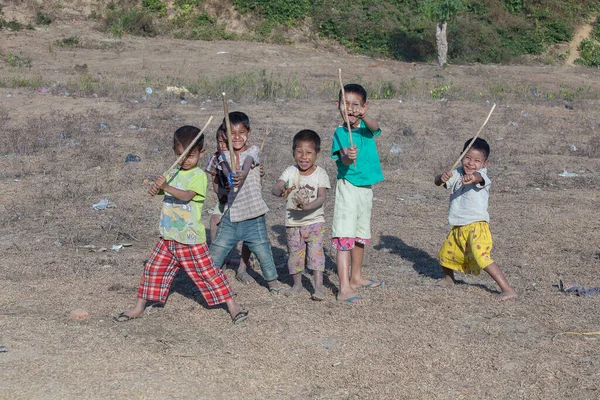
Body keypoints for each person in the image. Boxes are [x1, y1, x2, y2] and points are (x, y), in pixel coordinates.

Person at [114, 125, 248, 324]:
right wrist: (156, 189)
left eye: (190, 156)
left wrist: (166, 186)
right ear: (175, 152)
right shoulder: (173, 173)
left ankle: (233, 307)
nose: (185, 161)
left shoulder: (198, 176)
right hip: (168, 237)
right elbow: (163, 192)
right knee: (152, 269)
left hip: (190, 238)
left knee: (209, 273)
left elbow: (186, 196)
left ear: (201, 153)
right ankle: (138, 307)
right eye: (181, 155)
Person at [435, 137, 517, 301]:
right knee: (445, 254)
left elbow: (479, 178)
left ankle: (507, 289)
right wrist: (440, 178)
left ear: (485, 163)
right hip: (459, 225)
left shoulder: (482, 176)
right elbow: (439, 183)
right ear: (461, 156)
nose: (471, 163)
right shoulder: (457, 172)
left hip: (476, 226)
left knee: (482, 257)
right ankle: (449, 279)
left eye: (477, 161)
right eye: (468, 158)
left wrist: (473, 178)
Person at [209, 112, 283, 294]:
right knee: (217, 250)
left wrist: (242, 172)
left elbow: (249, 162)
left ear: (248, 132)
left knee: (263, 251)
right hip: (232, 215)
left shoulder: (253, 151)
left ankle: (272, 282)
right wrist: (232, 175)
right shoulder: (223, 156)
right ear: (225, 135)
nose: (237, 137)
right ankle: (207, 281)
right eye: (232, 133)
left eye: (242, 132)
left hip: (254, 215)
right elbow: (226, 171)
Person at [331, 84, 385, 304]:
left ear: (364, 107)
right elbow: (342, 157)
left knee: (360, 235)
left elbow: (375, 126)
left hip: (366, 188)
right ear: (338, 106)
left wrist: (366, 116)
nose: (351, 109)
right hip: (349, 187)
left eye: (356, 105)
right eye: (346, 104)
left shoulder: (365, 127)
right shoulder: (340, 132)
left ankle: (356, 277)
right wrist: (348, 156)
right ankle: (344, 288)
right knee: (345, 236)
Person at [272, 130, 331, 300]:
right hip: (293, 223)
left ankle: (318, 287)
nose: (304, 157)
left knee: (316, 253)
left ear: (317, 154)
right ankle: (297, 284)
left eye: (309, 153)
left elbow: (321, 198)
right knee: (295, 254)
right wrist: (279, 190)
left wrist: (308, 206)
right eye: (299, 151)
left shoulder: (320, 174)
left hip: (315, 221)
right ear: (293, 152)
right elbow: (276, 187)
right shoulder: (290, 171)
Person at [205, 127, 256, 284]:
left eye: (225, 143)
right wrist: (225, 192)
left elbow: (256, 175)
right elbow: (214, 186)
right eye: (219, 142)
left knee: (248, 231)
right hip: (224, 201)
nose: (222, 146)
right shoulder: (216, 158)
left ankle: (242, 268)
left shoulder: (245, 156)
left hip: (245, 202)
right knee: (214, 221)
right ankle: (219, 261)